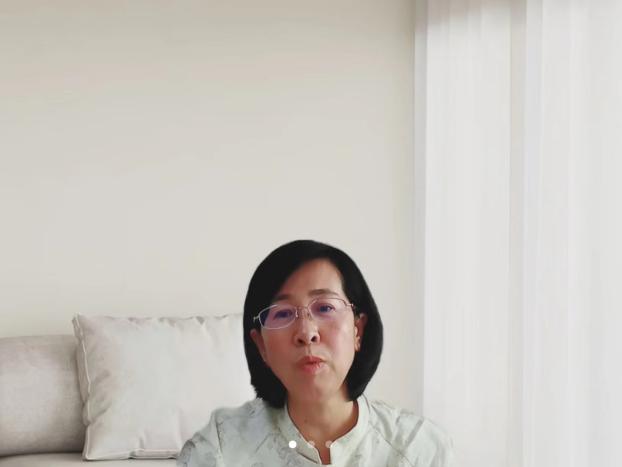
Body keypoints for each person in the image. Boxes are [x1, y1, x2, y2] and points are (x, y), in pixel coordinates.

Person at [177, 240, 453, 467]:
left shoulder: (418, 449)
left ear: (358, 330)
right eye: (283, 313)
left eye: (325, 308)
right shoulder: (220, 449)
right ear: (261, 346)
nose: (306, 332)